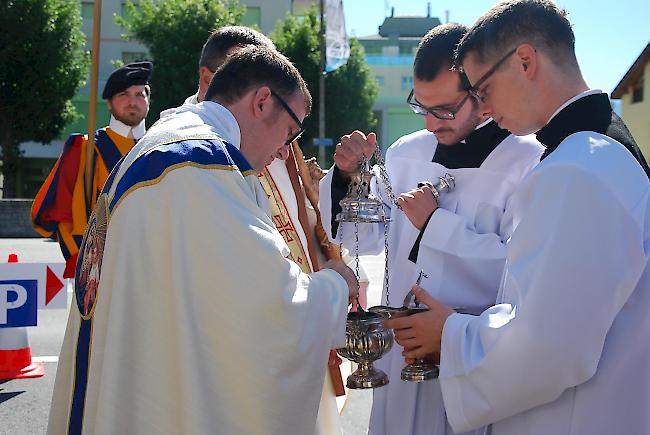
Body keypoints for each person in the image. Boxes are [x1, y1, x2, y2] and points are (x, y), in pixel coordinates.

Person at [47, 46, 358, 435]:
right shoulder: (202, 164)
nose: (284, 148)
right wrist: (334, 286)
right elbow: (267, 306)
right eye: (291, 130)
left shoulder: (168, 142)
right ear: (262, 101)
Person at [386, 1, 650, 434]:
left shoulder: (575, 170)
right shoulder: (597, 149)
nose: (484, 109)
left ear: (525, 61)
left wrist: (450, 334)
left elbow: (547, 347)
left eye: (483, 90)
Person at [319, 23, 544, 435]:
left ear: (481, 92)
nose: (429, 124)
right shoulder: (407, 152)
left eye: (444, 109)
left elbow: (522, 271)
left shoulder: (527, 161)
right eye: (421, 107)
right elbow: (367, 236)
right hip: (399, 354)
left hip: (465, 355)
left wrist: (435, 226)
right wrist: (349, 180)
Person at [31, 61, 153, 277]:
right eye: (124, 94)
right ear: (109, 102)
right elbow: (59, 210)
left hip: (151, 264)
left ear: (148, 101)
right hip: (97, 268)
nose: (133, 102)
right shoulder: (86, 148)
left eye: (140, 95)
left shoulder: (160, 148)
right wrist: (82, 258)